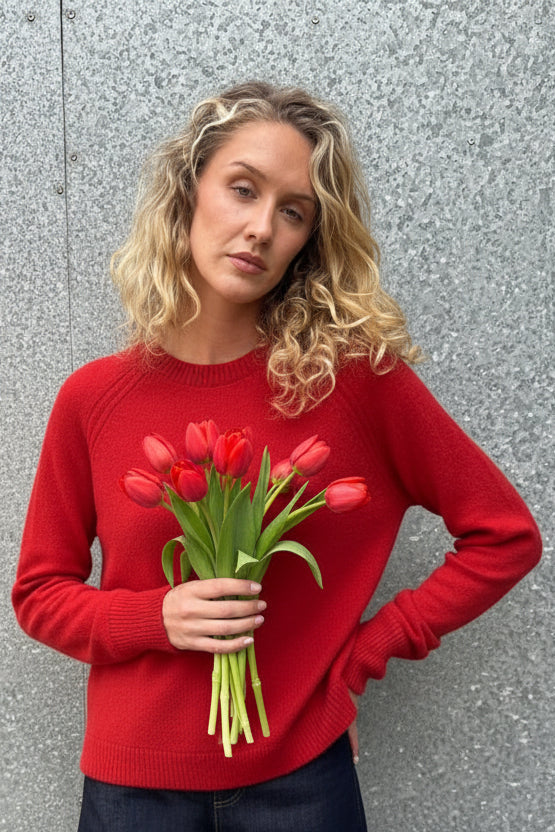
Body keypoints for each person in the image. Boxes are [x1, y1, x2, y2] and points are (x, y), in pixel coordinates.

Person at [12, 81, 541, 832]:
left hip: (300, 781)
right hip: (133, 788)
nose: (260, 227)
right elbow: (39, 594)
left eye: (292, 212)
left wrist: (356, 664)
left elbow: (504, 537)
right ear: (188, 191)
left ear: (308, 240)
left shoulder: (351, 381)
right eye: (241, 189)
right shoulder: (93, 399)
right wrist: (154, 616)